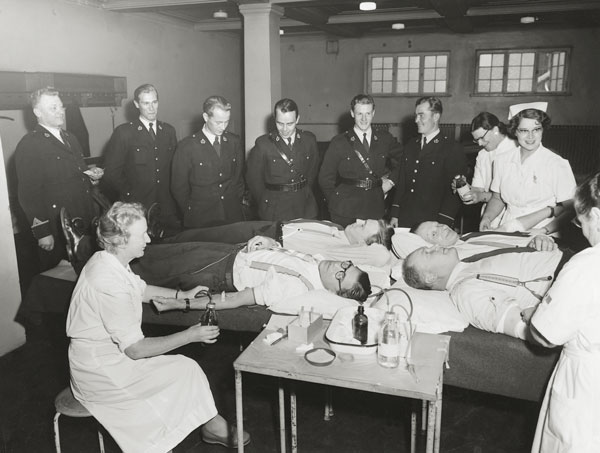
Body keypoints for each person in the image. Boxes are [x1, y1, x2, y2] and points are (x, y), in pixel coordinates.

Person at [66, 202, 250, 453]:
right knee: (150, 416)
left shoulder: (109, 259)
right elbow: (135, 350)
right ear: (121, 240)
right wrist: (190, 334)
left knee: (187, 368)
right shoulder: (106, 281)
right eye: (142, 234)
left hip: (115, 357)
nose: (148, 239)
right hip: (100, 372)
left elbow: (142, 290)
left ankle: (211, 426)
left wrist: (182, 293)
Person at [526, 172, 600, 452]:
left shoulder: (587, 264)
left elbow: (546, 335)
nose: (581, 230)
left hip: (588, 386)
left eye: (581, 222)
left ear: (596, 215)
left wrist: (534, 316)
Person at [402, 244, 566, 339]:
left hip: (567, 261)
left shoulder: (467, 266)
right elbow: (515, 324)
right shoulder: (465, 292)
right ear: (430, 277)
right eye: (429, 253)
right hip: (566, 280)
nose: (436, 246)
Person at [15, 87, 98, 271]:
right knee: (63, 280)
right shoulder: (30, 145)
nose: (60, 111)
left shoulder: (70, 138)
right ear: (38, 112)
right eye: (53, 108)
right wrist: (42, 232)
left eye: (61, 106)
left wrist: (91, 176)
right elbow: (28, 194)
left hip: (83, 218)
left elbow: (76, 174)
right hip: (58, 226)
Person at [480, 105, 576, 234]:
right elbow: (497, 198)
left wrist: (544, 230)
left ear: (543, 130)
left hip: (544, 232)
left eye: (536, 129)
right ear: (515, 131)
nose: (531, 136)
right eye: (524, 130)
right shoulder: (501, 160)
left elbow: (571, 209)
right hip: (507, 228)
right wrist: (487, 217)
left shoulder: (556, 163)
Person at [102, 83, 180, 235]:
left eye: (154, 102)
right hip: (138, 208)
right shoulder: (124, 133)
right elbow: (111, 173)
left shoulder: (168, 131)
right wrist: (131, 195)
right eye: (146, 103)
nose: (151, 108)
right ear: (137, 104)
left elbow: (175, 168)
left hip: (167, 207)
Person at [164, 218, 395, 267]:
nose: (358, 220)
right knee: (208, 231)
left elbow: (381, 257)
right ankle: (163, 237)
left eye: (364, 225)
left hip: (268, 238)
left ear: (365, 243)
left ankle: (160, 243)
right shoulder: (339, 230)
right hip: (270, 226)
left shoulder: (343, 251)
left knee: (205, 239)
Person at [318, 94, 401, 227]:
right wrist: (335, 201)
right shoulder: (339, 142)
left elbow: (405, 159)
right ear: (352, 113)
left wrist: (391, 181)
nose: (364, 119)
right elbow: (325, 178)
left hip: (375, 207)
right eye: (359, 114)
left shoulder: (385, 139)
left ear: (373, 113)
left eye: (368, 113)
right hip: (345, 210)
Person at [391, 97, 467, 229]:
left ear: (436, 116)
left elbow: (453, 193)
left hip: (432, 222)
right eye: (416, 116)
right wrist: (395, 213)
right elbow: (402, 182)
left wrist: (444, 222)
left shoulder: (451, 148)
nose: (416, 120)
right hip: (405, 219)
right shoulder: (411, 145)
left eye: (421, 115)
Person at [171, 95, 245, 228]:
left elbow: (238, 179)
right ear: (206, 117)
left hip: (232, 215)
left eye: (226, 122)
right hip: (202, 218)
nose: (223, 127)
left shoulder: (234, 141)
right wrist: (191, 212)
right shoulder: (187, 146)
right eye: (218, 122)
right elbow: (179, 188)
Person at [246, 98, 320, 220]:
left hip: (304, 206)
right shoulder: (263, 144)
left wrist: (303, 191)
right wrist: (267, 202)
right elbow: (254, 180)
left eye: (290, 123)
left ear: (297, 119)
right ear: (274, 119)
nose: (284, 129)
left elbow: (312, 172)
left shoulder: (309, 140)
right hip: (275, 208)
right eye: (280, 123)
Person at [458, 112, 516, 227]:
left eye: (482, 138)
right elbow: (478, 189)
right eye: (476, 140)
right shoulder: (482, 155)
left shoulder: (516, 150)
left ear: (495, 129)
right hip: (489, 216)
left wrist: (480, 197)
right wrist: (465, 188)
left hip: (512, 216)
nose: (479, 143)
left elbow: (507, 196)